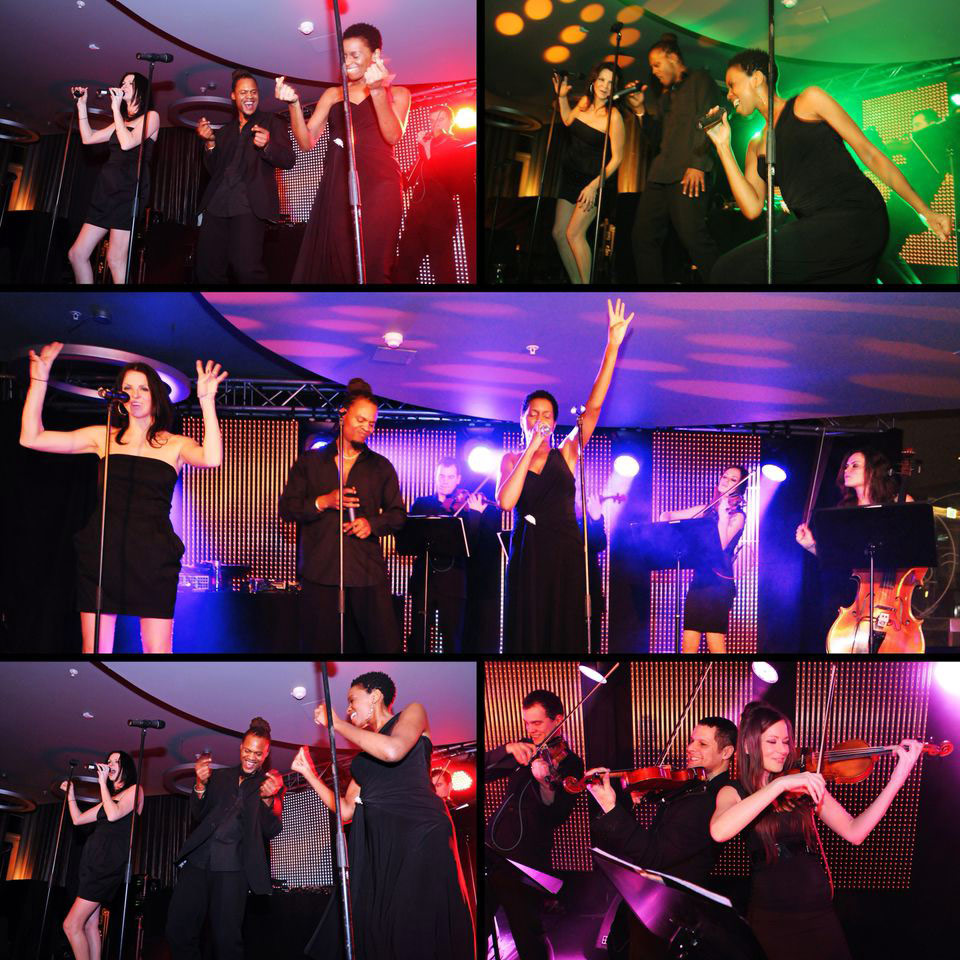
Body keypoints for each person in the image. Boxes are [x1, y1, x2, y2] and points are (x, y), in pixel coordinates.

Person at [19, 342, 227, 653]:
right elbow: (31, 438)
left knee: (157, 651)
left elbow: (211, 459)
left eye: (143, 388)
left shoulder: (175, 444)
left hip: (153, 556)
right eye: (128, 388)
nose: (135, 395)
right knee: (95, 651)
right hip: (103, 553)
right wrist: (39, 381)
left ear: (156, 395)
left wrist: (207, 401)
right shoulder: (103, 436)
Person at [704, 49, 953, 283]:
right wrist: (723, 146)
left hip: (855, 216)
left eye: (732, 84)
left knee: (727, 269)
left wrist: (924, 210)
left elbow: (870, 154)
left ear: (757, 78)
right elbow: (751, 208)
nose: (729, 95)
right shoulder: (756, 144)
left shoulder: (808, 102)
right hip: (817, 230)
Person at [710, 700, 924, 960]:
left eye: (786, 741)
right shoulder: (734, 791)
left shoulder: (802, 784)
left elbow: (855, 832)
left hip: (819, 913)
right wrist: (779, 785)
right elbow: (719, 831)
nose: (783, 750)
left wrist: (898, 778)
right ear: (747, 745)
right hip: (772, 919)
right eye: (772, 741)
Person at [293, 671, 475, 959]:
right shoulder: (365, 759)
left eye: (352, 699)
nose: (349, 708)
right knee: (385, 928)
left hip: (419, 831)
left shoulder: (412, 712)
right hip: (383, 844)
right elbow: (346, 810)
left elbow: (393, 751)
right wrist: (310, 775)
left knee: (413, 922)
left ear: (375, 695)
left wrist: (336, 723)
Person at [498, 298, 632, 653]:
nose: (539, 419)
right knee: (529, 627)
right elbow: (507, 502)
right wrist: (530, 448)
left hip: (564, 549)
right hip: (529, 551)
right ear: (522, 418)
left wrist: (612, 346)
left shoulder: (567, 453)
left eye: (546, 415)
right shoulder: (511, 459)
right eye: (533, 413)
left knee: (563, 626)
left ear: (555, 422)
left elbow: (595, 406)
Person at [277, 22, 410, 283]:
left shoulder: (399, 93)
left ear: (375, 54)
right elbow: (306, 142)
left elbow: (393, 136)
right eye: (344, 56)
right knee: (343, 263)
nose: (347, 62)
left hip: (381, 183)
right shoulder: (333, 94)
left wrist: (377, 91)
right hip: (340, 183)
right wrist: (293, 105)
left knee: (376, 262)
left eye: (355, 55)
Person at [278, 377, 405, 652]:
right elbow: (287, 508)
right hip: (321, 572)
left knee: (383, 647)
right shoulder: (310, 462)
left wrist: (372, 524)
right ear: (343, 413)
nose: (366, 428)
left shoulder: (381, 467)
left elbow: (398, 514)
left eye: (371, 423)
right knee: (320, 650)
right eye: (361, 420)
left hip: (366, 572)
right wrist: (322, 501)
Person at [166, 718, 285, 960]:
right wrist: (200, 784)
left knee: (226, 941)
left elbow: (271, 829)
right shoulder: (221, 777)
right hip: (198, 862)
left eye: (258, 753)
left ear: (266, 755)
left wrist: (267, 799)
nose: (251, 757)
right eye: (248, 750)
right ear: (240, 748)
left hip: (232, 869)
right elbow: (198, 813)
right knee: (178, 930)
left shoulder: (268, 786)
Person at [485, 689, 584, 960]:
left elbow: (557, 816)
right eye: (527, 723)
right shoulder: (523, 747)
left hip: (526, 860)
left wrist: (545, 783)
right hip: (493, 849)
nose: (531, 730)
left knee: (528, 936)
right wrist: (506, 749)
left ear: (558, 719)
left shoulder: (571, 763)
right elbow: (482, 771)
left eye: (537, 723)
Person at [585, 716, 737, 886]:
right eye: (691, 741)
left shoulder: (712, 799)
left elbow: (653, 856)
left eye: (702, 744)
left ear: (726, 752)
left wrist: (609, 806)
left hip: (673, 896)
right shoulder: (693, 784)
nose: (689, 748)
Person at [626, 33, 722, 283]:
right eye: (652, 67)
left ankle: (727, 293)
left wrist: (698, 164)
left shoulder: (701, 79)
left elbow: (712, 118)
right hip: (660, 175)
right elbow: (657, 138)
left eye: (657, 64)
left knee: (694, 238)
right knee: (642, 237)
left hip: (688, 172)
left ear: (673, 57)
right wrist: (640, 110)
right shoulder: (665, 96)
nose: (654, 71)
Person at [194, 69, 296, 283]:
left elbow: (288, 160)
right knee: (207, 270)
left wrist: (268, 145)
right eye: (243, 92)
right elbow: (214, 170)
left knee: (245, 269)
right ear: (233, 96)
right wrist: (210, 143)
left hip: (248, 205)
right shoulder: (224, 132)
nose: (249, 96)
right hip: (217, 205)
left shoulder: (272, 122)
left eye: (253, 92)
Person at [68, 73, 159, 284]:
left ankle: (124, 303)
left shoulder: (151, 117)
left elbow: (127, 143)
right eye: (122, 83)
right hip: (106, 189)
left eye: (129, 83)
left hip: (128, 190)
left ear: (141, 90)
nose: (124, 85)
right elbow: (88, 138)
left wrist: (116, 110)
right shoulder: (121, 122)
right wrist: (82, 105)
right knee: (77, 254)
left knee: (116, 259)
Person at [407, 455, 500, 654]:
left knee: (452, 640)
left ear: (458, 479)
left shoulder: (466, 509)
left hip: (454, 581)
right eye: (441, 476)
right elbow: (411, 539)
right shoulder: (422, 504)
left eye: (450, 477)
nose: (445, 481)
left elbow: (471, 547)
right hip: (424, 579)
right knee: (419, 638)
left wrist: (475, 515)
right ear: (435, 476)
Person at [60, 751, 144, 960]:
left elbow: (114, 814)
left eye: (116, 762)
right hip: (92, 862)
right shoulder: (109, 799)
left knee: (71, 925)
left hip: (106, 864)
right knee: (90, 924)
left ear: (126, 767)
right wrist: (71, 795)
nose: (110, 764)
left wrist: (102, 783)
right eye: (109, 761)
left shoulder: (135, 790)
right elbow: (78, 819)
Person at [551, 63, 625, 284]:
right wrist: (562, 97)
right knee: (559, 234)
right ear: (593, 80)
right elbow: (567, 120)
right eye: (602, 79)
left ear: (615, 88)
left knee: (574, 234)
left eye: (611, 83)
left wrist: (594, 186)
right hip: (570, 177)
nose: (605, 86)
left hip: (592, 182)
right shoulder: (584, 102)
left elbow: (617, 158)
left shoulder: (614, 116)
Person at [660, 465, 747, 653]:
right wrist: (666, 521)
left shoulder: (737, 516)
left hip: (719, 582)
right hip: (699, 580)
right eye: (725, 476)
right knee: (689, 637)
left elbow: (721, 544)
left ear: (740, 487)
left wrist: (723, 516)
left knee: (714, 637)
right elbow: (668, 516)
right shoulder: (705, 510)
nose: (726, 481)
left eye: (733, 480)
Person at [393, 104, 471, 283]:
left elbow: (447, 179)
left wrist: (427, 148)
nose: (435, 125)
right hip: (417, 214)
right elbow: (409, 179)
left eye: (440, 119)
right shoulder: (426, 147)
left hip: (440, 215)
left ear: (451, 122)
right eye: (432, 121)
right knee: (405, 264)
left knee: (442, 267)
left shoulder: (456, 145)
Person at [795, 448, 911, 556]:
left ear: (872, 471)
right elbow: (839, 557)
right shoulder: (845, 509)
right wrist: (811, 546)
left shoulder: (899, 501)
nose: (846, 470)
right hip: (858, 572)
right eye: (846, 466)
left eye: (855, 465)